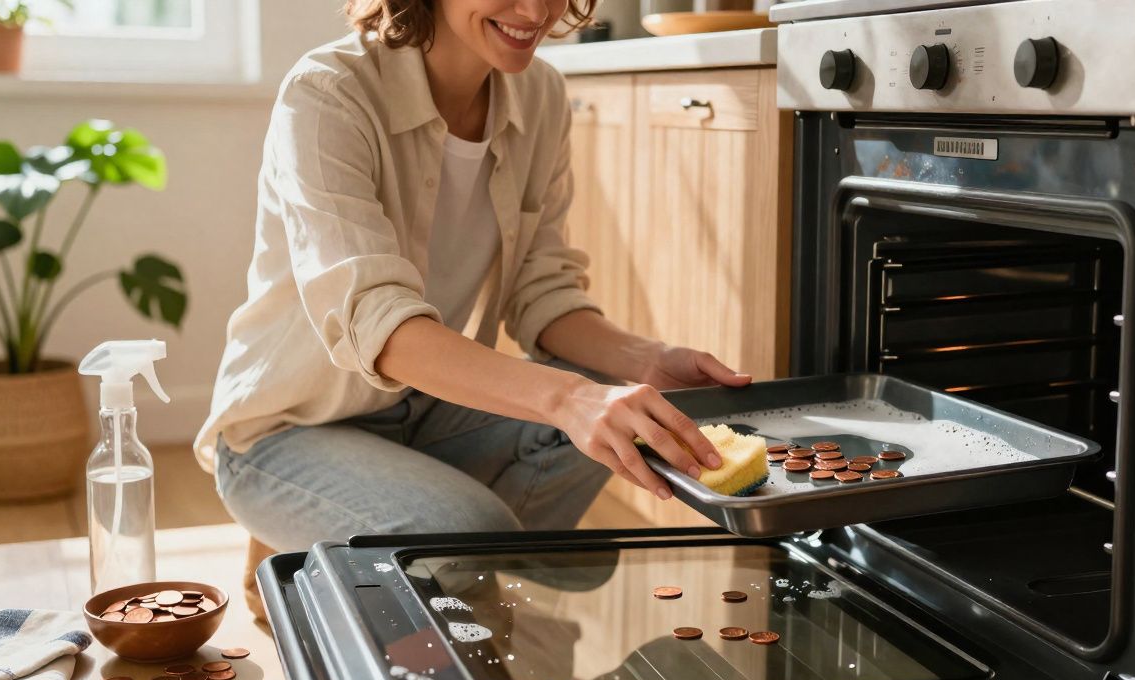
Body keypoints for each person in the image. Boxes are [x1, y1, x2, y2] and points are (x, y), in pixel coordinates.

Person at [194, 0, 751, 553]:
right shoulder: (327, 93)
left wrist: (647, 360)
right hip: (289, 428)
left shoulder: (541, 95)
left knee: (619, 410)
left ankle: (463, 571)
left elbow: (541, 290)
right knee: (464, 526)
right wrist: (568, 400)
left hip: (427, 407)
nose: (535, 10)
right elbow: (377, 323)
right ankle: (345, 555)